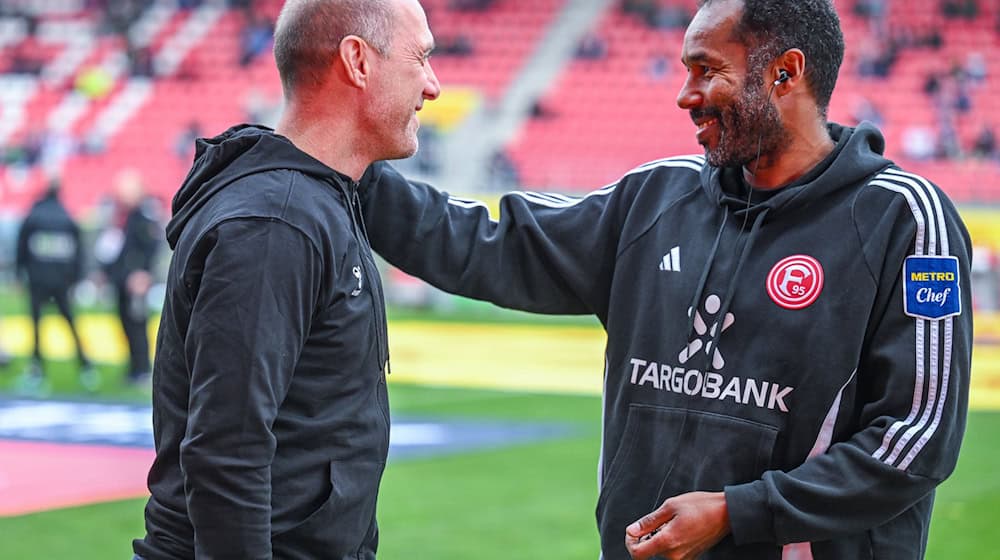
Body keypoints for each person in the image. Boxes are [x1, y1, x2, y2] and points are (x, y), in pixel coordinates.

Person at [358, 0, 972, 558]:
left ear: (785, 74)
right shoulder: (655, 198)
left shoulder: (909, 221)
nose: (686, 94)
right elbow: (488, 243)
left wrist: (739, 512)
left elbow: (916, 440)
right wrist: (346, 158)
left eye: (707, 70)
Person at [132, 0, 440, 558]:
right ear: (358, 61)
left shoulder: (311, 203)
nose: (432, 85)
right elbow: (228, 452)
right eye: (420, 58)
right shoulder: (277, 222)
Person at [15, 179, 98, 394]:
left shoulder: (33, 217)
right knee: (70, 323)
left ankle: (36, 370)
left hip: (38, 281)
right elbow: (78, 253)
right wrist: (76, 279)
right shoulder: (67, 217)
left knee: (36, 326)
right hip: (61, 283)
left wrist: (18, 274)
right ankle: (86, 367)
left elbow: (21, 248)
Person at [95, 170, 161, 386]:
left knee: (137, 324)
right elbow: (113, 248)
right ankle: (133, 366)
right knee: (124, 322)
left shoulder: (145, 216)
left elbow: (152, 247)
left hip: (136, 283)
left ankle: (142, 369)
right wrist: (106, 273)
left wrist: (144, 274)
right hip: (121, 280)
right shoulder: (120, 217)